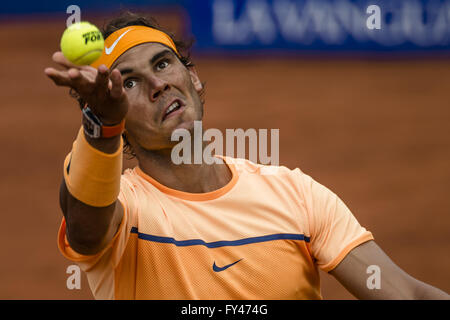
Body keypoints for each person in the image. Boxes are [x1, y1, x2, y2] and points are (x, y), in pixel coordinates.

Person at [45, 11, 449, 300]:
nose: (157, 84)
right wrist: (101, 128)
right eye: (129, 82)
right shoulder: (125, 212)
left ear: (194, 79)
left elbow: (404, 293)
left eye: (163, 63)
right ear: (116, 114)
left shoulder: (295, 194)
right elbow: (85, 230)